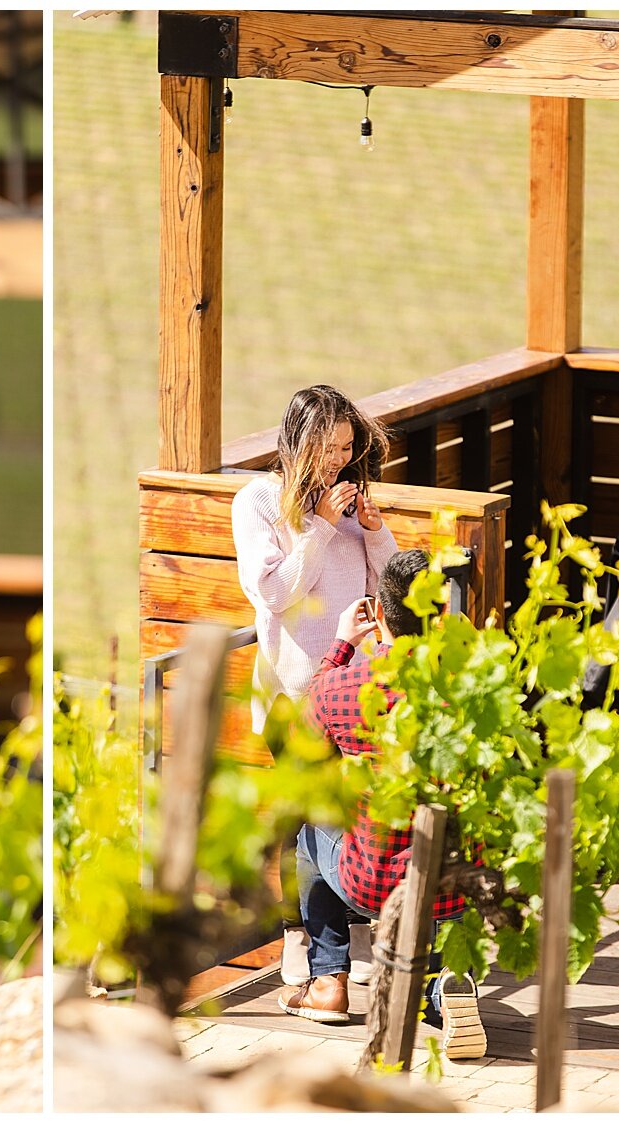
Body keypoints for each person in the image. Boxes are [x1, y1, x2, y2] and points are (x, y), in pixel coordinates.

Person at [275, 548, 487, 1061]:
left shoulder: (344, 685)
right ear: (441, 614)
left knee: (309, 832)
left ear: (380, 613)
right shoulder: (473, 687)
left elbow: (302, 747)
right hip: (454, 885)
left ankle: (328, 979)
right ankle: (445, 986)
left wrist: (342, 644)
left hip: (370, 881)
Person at [230, 385, 397, 987]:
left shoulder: (351, 502)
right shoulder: (258, 502)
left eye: (347, 448)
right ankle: (302, 940)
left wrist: (373, 531)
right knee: (309, 816)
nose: (337, 460)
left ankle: (333, 947)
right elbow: (272, 593)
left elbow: (390, 588)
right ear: (297, 443)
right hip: (293, 693)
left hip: (354, 689)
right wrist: (321, 529)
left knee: (341, 815)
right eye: (327, 448)